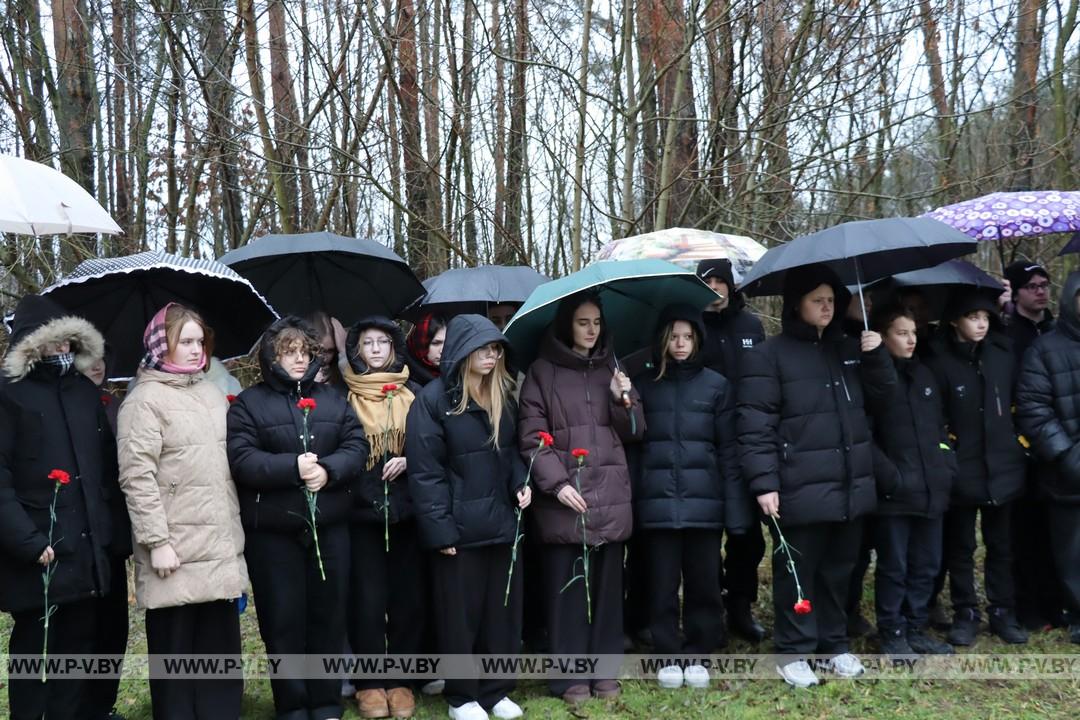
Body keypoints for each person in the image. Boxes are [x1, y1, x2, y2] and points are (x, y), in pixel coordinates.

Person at [738, 264, 896, 689]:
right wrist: (764, 482)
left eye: (831, 300)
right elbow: (756, 425)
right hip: (798, 485)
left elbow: (884, 403)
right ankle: (793, 650)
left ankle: (833, 645)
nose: (826, 308)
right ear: (797, 304)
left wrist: (877, 355)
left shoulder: (850, 348)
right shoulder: (768, 356)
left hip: (850, 483)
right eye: (817, 301)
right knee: (797, 572)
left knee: (839, 570)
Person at [226, 316, 367, 720]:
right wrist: (292, 466)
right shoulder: (249, 404)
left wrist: (329, 470)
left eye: (305, 352)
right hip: (274, 534)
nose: (299, 361)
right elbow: (243, 458)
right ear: (272, 357)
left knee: (328, 618)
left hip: (330, 527)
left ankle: (325, 703)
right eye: (290, 353)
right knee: (283, 621)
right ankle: (291, 704)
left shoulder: (333, 400)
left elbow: (355, 444)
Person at [117, 303, 249, 720]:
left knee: (219, 642)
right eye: (184, 342)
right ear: (161, 346)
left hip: (218, 539)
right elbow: (136, 477)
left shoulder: (211, 393)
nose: (196, 350)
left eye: (199, 341)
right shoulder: (143, 401)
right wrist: (157, 542)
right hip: (174, 545)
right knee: (176, 647)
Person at [0, 295, 128, 720]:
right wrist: (28, 542)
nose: (60, 352)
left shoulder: (83, 394)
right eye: (52, 344)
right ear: (30, 345)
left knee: (78, 658)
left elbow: (106, 473)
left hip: (87, 551)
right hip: (39, 554)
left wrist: (113, 537)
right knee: (37, 662)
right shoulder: (8, 396)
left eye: (67, 344)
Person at [517, 292, 645, 705]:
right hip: (564, 502)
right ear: (566, 325)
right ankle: (570, 678)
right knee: (567, 593)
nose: (591, 331)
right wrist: (557, 484)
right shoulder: (542, 372)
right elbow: (532, 437)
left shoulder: (615, 368)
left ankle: (604, 672)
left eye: (596, 323)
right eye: (582, 323)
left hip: (608, 498)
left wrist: (623, 398)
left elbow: (635, 430)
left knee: (608, 592)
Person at [407, 315, 530, 720]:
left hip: (501, 524)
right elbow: (426, 472)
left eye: (496, 349)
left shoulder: (503, 395)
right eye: (484, 348)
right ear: (463, 350)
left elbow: (510, 454)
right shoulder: (433, 400)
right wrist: (440, 529)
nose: (492, 356)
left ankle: (496, 691)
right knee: (460, 619)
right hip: (458, 531)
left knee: (502, 615)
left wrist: (519, 486)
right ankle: (462, 696)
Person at [632, 305, 750, 689]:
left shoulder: (716, 385)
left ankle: (699, 650)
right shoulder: (643, 384)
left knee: (704, 582)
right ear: (662, 340)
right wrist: (624, 401)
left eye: (687, 337)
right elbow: (633, 440)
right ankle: (666, 651)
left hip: (705, 504)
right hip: (658, 503)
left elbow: (728, 450)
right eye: (673, 337)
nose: (680, 344)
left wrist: (734, 509)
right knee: (661, 582)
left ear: (697, 339)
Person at [923, 289, 1028, 646]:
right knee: (961, 546)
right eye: (972, 317)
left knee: (1001, 545)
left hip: (1003, 464)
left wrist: (1018, 444)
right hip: (962, 466)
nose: (981, 323)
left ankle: (1002, 610)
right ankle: (965, 610)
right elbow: (934, 414)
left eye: (985, 317)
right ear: (955, 320)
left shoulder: (1001, 352)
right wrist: (947, 452)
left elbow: (1018, 400)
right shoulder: (938, 360)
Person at [341, 317, 426, 719]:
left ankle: (402, 680)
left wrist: (412, 458)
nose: (375, 350)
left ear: (395, 348)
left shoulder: (417, 393)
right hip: (361, 515)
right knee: (368, 601)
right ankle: (370, 682)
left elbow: (436, 445)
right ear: (356, 350)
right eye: (367, 343)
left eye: (383, 343)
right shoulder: (342, 394)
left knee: (407, 599)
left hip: (407, 513)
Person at [865, 303, 956, 656]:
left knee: (927, 564)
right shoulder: (874, 378)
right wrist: (892, 477)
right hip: (896, 492)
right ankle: (891, 631)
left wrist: (947, 464)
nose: (910, 340)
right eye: (901, 333)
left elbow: (939, 429)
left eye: (913, 332)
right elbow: (866, 435)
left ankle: (916, 626)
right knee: (895, 566)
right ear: (884, 336)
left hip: (932, 487)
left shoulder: (925, 376)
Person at [695, 258, 767, 643]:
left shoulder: (751, 327)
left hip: (747, 441)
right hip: (703, 444)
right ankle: (710, 604)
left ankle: (740, 604)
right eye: (708, 281)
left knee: (747, 536)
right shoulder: (690, 328)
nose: (715, 287)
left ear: (732, 286)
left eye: (721, 280)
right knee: (706, 532)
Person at [1016, 270, 1080, 645]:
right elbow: (1034, 410)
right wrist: (1069, 458)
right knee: (1073, 553)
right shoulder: (1045, 350)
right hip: (1067, 473)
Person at [1000, 261, 1064, 631]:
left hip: (1056, 443)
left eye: (1045, 285)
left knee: (1054, 528)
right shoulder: (1007, 334)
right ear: (1018, 291)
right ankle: (1024, 605)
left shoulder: (1060, 330)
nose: (1041, 291)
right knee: (1022, 531)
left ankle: (1055, 601)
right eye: (1033, 286)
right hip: (1017, 444)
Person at [80, 342, 133, 720]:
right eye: (88, 357)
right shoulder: (64, 407)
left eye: (102, 356)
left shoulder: (115, 406)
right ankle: (82, 705)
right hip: (81, 535)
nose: (97, 364)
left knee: (114, 625)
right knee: (85, 625)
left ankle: (104, 703)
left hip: (114, 533)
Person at [405, 312, 448, 388]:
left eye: (446, 343)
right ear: (421, 344)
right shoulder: (404, 378)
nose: (443, 350)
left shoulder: (454, 374)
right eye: (436, 343)